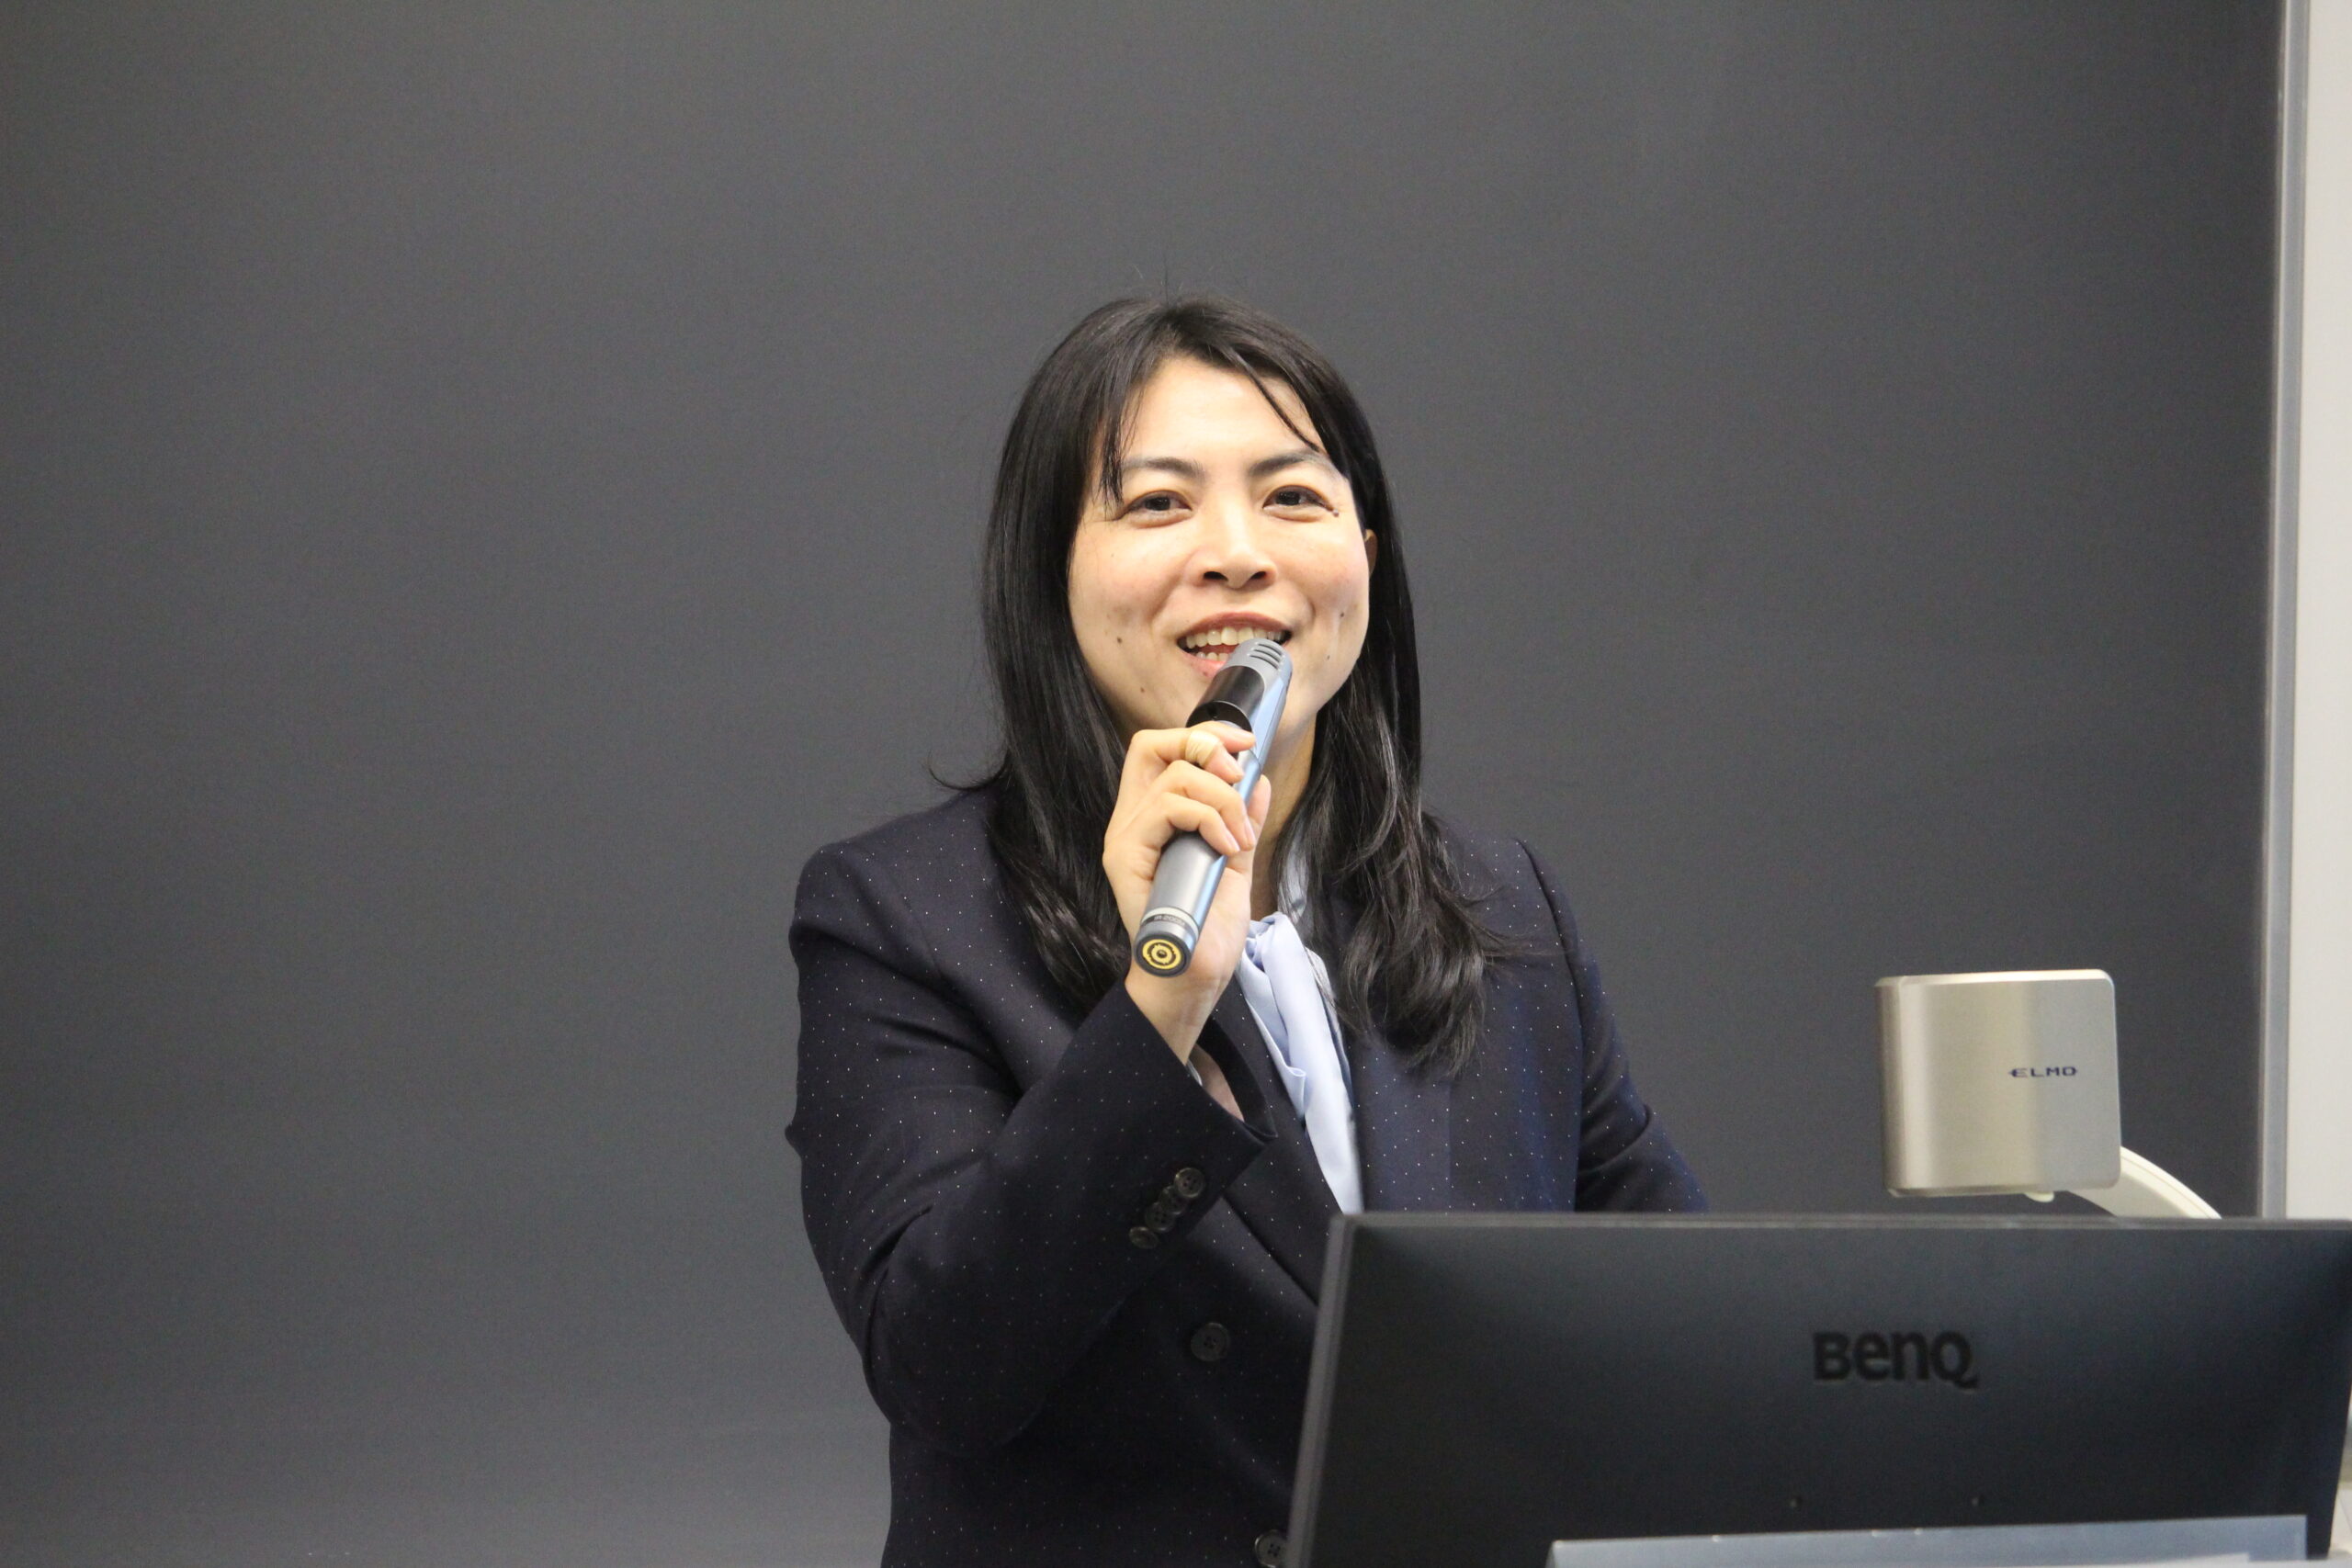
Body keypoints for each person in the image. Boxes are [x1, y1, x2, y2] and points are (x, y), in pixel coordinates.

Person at [788, 297, 1703, 1568]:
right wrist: (1159, 1005)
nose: (1235, 553)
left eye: (1293, 498)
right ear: (1049, 569)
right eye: (1159, 503)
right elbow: (947, 1368)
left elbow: (1683, 1329)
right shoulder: (902, 916)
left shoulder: (1500, 906)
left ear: (1365, 557)